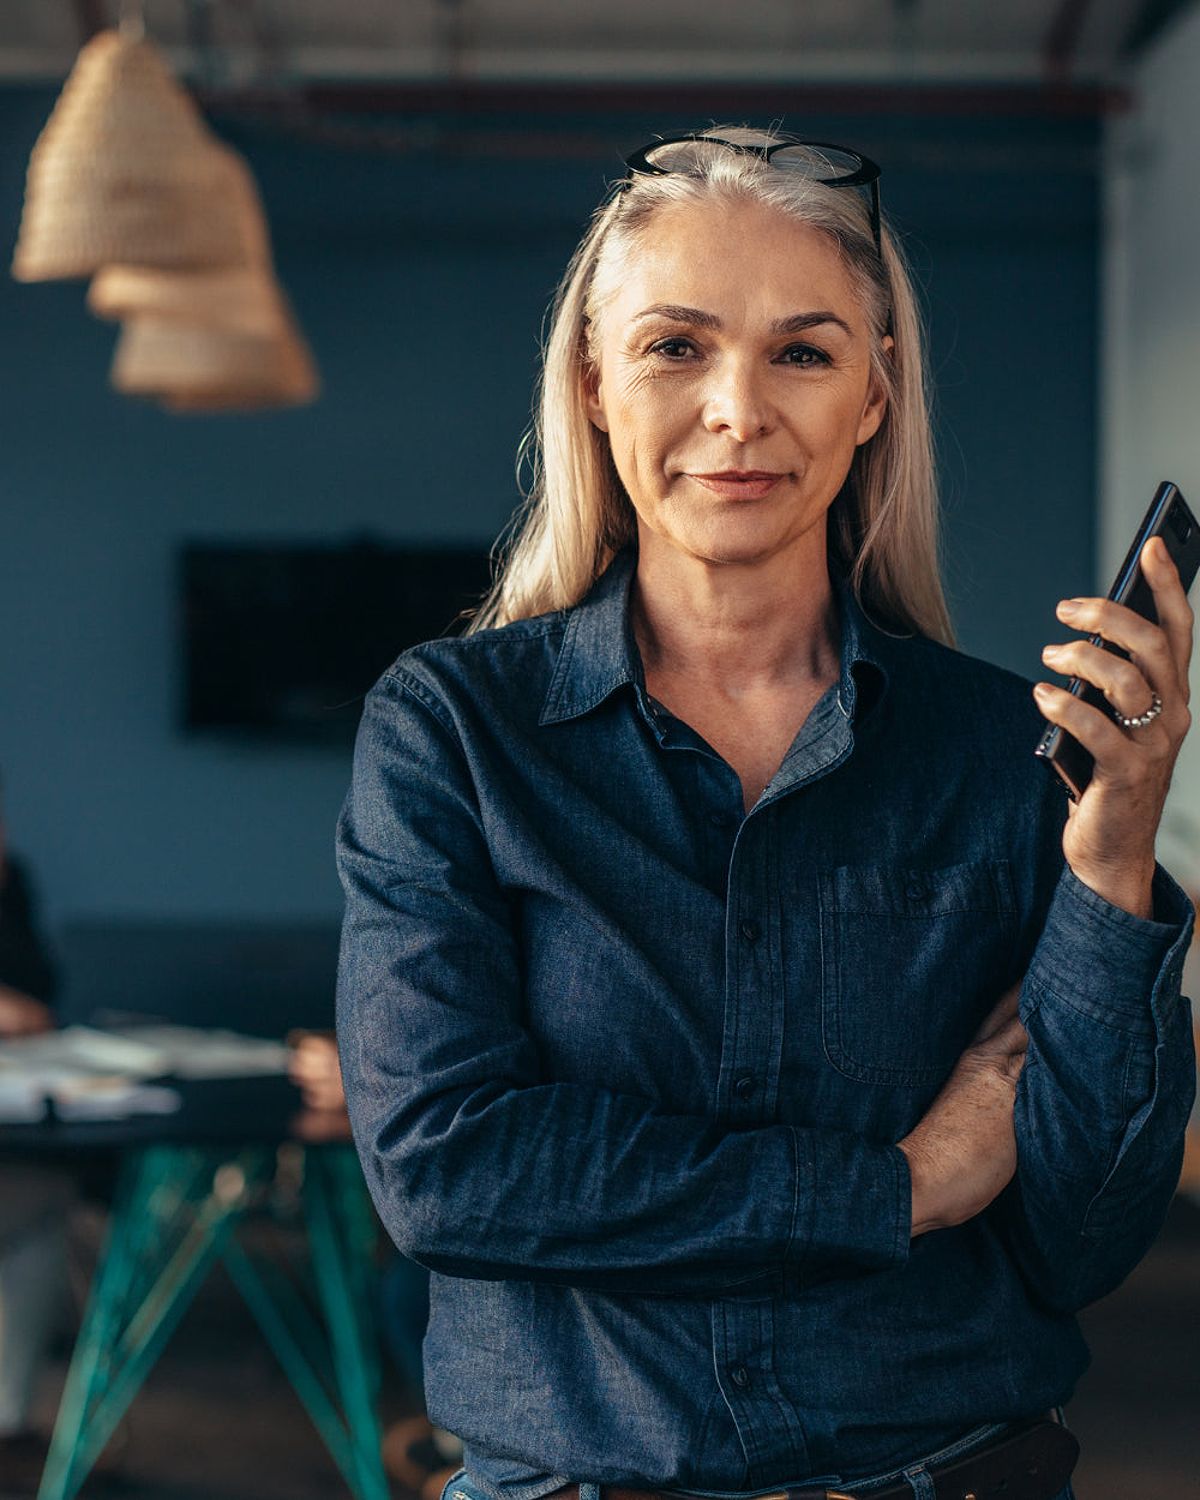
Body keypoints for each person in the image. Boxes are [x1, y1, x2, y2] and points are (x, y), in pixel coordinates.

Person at [334, 126, 1196, 1500]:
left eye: (803, 351)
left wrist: (1112, 863)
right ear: (595, 383)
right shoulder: (456, 730)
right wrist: (896, 1189)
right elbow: (451, 1169)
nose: (740, 409)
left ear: (873, 393)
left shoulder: (999, 752)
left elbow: (1079, 1240)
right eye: (677, 346)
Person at [0, 776, 75, 1492]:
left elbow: (42, 992)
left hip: (20, 1116)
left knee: (44, 1197)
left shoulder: (11, 882)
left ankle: (9, 1421)